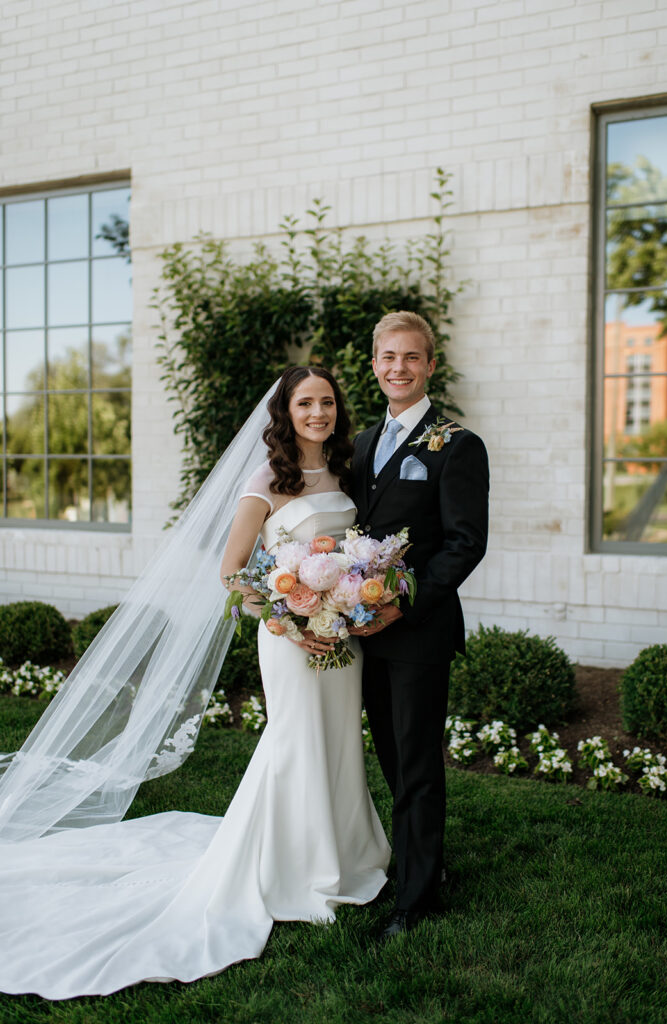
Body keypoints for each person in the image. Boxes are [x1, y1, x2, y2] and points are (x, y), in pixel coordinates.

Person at [0, 366, 389, 1000]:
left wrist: (345, 604)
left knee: (340, 739)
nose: (318, 412)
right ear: (286, 413)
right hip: (291, 640)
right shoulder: (266, 480)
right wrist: (292, 623)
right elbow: (232, 572)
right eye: (305, 403)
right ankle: (294, 866)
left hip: (341, 637)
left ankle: (346, 851)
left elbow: (352, 553)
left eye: (326, 402)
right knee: (295, 743)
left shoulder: (347, 475)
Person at [350, 311, 489, 939]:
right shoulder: (359, 444)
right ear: (374, 364)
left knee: (417, 767)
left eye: (411, 357)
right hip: (361, 632)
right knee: (391, 758)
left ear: (430, 365)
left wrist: (398, 606)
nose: (398, 369)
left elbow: (464, 544)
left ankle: (416, 901)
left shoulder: (457, 444)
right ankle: (422, 868)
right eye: (387, 357)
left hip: (416, 632)